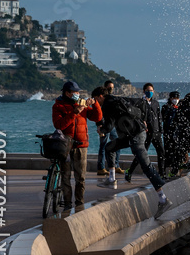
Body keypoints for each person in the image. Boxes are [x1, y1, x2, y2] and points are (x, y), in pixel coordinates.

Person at [94, 87, 173, 217]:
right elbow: (142, 103)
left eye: (97, 100)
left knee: (145, 165)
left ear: (100, 96)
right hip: (133, 135)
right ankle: (112, 178)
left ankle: (163, 199)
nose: (97, 102)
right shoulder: (119, 99)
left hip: (135, 135)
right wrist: (144, 121)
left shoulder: (107, 104)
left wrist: (100, 128)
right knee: (109, 147)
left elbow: (108, 127)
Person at [51, 81, 103, 209]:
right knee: (66, 177)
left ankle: (79, 203)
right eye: (75, 92)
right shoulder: (58, 106)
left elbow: (97, 117)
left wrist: (95, 104)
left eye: (78, 92)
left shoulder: (82, 104)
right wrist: (73, 113)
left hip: (81, 144)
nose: (78, 94)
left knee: (81, 178)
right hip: (65, 145)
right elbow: (59, 125)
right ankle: (68, 204)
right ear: (67, 93)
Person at [126, 83, 163, 182]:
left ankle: (162, 174)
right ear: (143, 91)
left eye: (151, 91)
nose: (149, 92)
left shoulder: (156, 103)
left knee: (161, 153)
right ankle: (129, 171)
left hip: (157, 132)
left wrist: (160, 129)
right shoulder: (140, 103)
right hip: (146, 133)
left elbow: (159, 117)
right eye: (147, 90)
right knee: (141, 154)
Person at [95, 80, 123, 176]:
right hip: (103, 125)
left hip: (112, 126)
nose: (111, 89)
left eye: (112, 87)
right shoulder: (100, 100)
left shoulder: (111, 100)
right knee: (103, 146)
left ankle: (116, 165)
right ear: (105, 88)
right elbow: (98, 114)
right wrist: (99, 126)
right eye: (109, 88)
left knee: (117, 144)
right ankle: (101, 167)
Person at [161, 91, 180, 179]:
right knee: (167, 151)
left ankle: (174, 171)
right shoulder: (166, 107)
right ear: (170, 98)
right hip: (168, 133)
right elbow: (164, 119)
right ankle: (163, 171)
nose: (176, 100)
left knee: (176, 152)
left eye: (177, 98)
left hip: (176, 133)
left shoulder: (179, 107)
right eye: (174, 98)